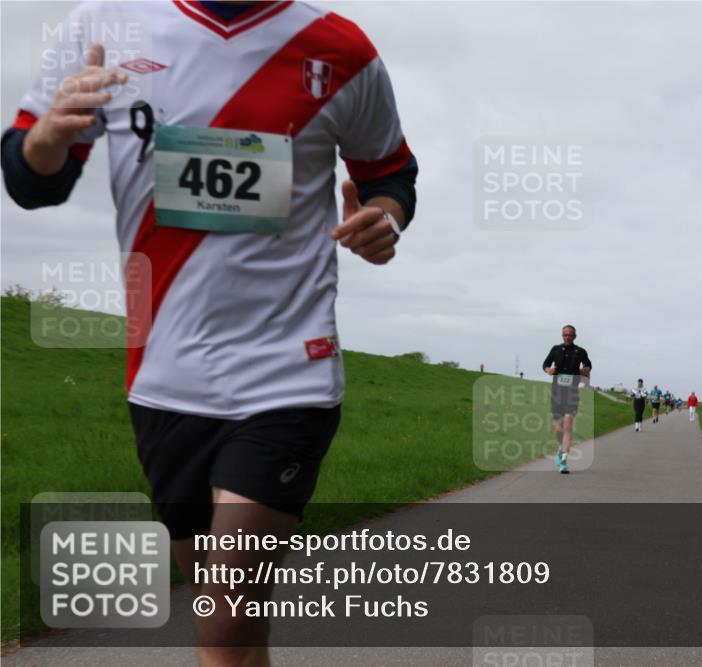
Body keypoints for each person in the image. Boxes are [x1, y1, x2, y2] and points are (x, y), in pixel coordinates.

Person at [2, 2, 417, 665]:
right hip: (164, 374)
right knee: (227, 622)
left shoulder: (339, 48)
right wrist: (50, 130)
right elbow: (30, 183)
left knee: (225, 617)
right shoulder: (100, 25)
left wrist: (382, 218)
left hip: (289, 365)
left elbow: (390, 172)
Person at [542, 325, 592, 474]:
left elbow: (588, 365)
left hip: (572, 393)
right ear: (562, 336)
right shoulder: (555, 349)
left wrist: (586, 370)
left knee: (568, 424)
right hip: (557, 393)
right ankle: (560, 447)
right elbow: (545, 364)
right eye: (565, 335)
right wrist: (548, 370)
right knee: (558, 429)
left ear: (575, 336)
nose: (567, 337)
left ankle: (564, 461)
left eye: (570, 335)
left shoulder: (580, 351)